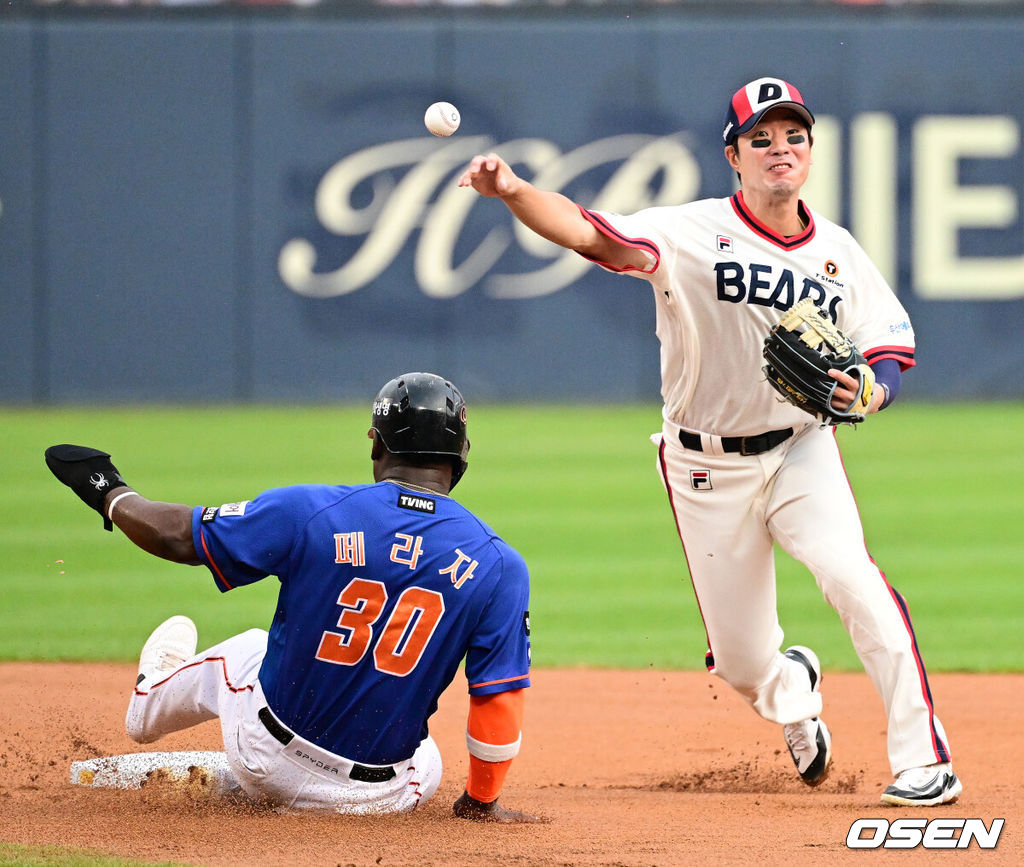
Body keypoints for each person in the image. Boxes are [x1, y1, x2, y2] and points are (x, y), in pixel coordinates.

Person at [458, 77, 960, 806]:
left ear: (811, 150)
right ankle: (794, 687)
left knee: (853, 577)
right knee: (741, 662)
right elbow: (585, 231)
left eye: (792, 135)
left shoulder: (840, 253)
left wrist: (872, 390)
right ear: (735, 156)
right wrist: (512, 191)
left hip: (800, 449)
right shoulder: (688, 232)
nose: (779, 148)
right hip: (701, 461)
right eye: (761, 138)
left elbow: (887, 348)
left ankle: (923, 761)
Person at [45, 372, 540, 821]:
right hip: (380, 799)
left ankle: (148, 699)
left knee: (246, 651)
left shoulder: (311, 510)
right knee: (425, 756)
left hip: (266, 755)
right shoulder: (499, 564)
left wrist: (107, 491)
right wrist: (480, 803)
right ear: (460, 460)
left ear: (377, 447)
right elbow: (498, 699)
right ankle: (297, 791)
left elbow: (177, 537)